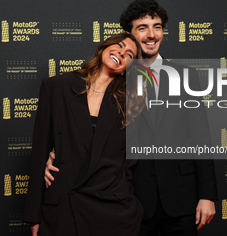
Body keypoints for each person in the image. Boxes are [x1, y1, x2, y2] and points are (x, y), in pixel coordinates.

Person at [45, 0, 218, 236]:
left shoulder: (186, 76)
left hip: (182, 198)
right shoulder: (112, 81)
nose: (151, 34)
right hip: (131, 199)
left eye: (157, 27)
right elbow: (89, 133)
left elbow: (201, 138)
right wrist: (57, 156)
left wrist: (207, 195)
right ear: (129, 34)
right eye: (142, 27)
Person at [24, 32, 144, 236]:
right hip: (64, 211)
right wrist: (33, 215)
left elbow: (130, 164)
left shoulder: (132, 103)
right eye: (119, 45)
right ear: (104, 47)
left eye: (130, 55)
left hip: (112, 213)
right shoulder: (56, 87)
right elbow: (39, 154)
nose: (122, 53)